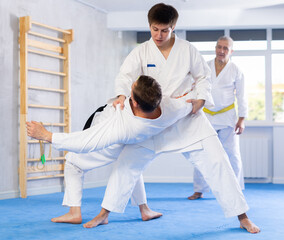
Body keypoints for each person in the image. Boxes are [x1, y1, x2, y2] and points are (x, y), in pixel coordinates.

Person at [86, 3, 260, 234]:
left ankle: (243, 216)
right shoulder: (141, 51)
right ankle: (104, 213)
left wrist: (200, 99)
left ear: (173, 27)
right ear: (149, 26)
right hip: (153, 119)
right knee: (126, 165)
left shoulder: (187, 50)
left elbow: (203, 77)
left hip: (185, 117)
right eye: (155, 29)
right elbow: (125, 76)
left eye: (164, 30)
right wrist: (120, 95)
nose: (159, 35)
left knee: (219, 162)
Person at [26, 75, 193, 224]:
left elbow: (85, 141)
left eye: (131, 90)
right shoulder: (170, 109)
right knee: (131, 166)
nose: (129, 90)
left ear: (134, 103)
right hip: (136, 142)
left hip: (112, 145)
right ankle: (145, 210)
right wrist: (190, 94)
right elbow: (189, 103)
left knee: (73, 163)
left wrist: (47, 135)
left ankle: (74, 212)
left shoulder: (120, 126)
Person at [188, 36, 247, 200]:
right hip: (206, 115)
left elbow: (242, 96)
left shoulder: (236, 70)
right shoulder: (205, 67)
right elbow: (195, 88)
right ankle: (199, 189)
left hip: (228, 117)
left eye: (225, 48)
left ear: (231, 51)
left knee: (232, 154)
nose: (221, 51)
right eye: (219, 47)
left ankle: (236, 188)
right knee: (201, 152)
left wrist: (241, 119)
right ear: (215, 48)